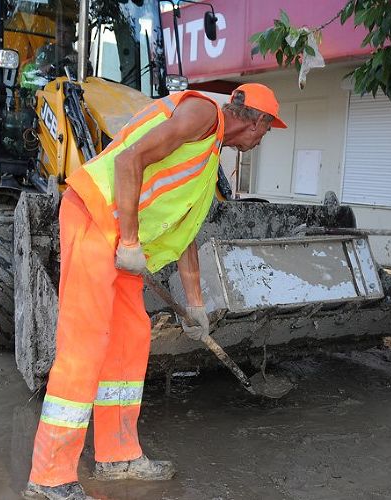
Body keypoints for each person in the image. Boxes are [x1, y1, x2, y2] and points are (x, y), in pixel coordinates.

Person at [24, 83, 287, 499]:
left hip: (125, 242)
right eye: (267, 130)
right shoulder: (203, 114)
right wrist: (128, 240)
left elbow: (186, 234)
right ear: (255, 120)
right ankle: (49, 478)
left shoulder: (210, 154)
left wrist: (196, 305)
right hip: (98, 218)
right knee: (85, 345)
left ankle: (118, 455)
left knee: (130, 340)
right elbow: (131, 158)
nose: (264, 138)